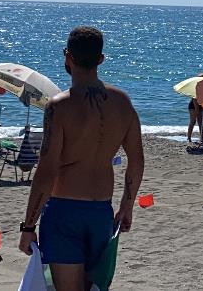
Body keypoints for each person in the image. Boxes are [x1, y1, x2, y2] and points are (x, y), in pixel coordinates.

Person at [19, 26, 144, 291]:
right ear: (101, 59)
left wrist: (28, 225)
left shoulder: (59, 106)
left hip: (64, 211)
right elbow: (136, 160)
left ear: (67, 56)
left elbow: (46, 170)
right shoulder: (122, 103)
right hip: (101, 211)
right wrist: (127, 205)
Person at [186, 78, 203, 145]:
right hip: (193, 106)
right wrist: (197, 109)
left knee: (201, 123)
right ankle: (189, 138)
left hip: (200, 106)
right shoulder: (196, 88)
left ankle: (202, 138)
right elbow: (194, 99)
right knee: (193, 122)